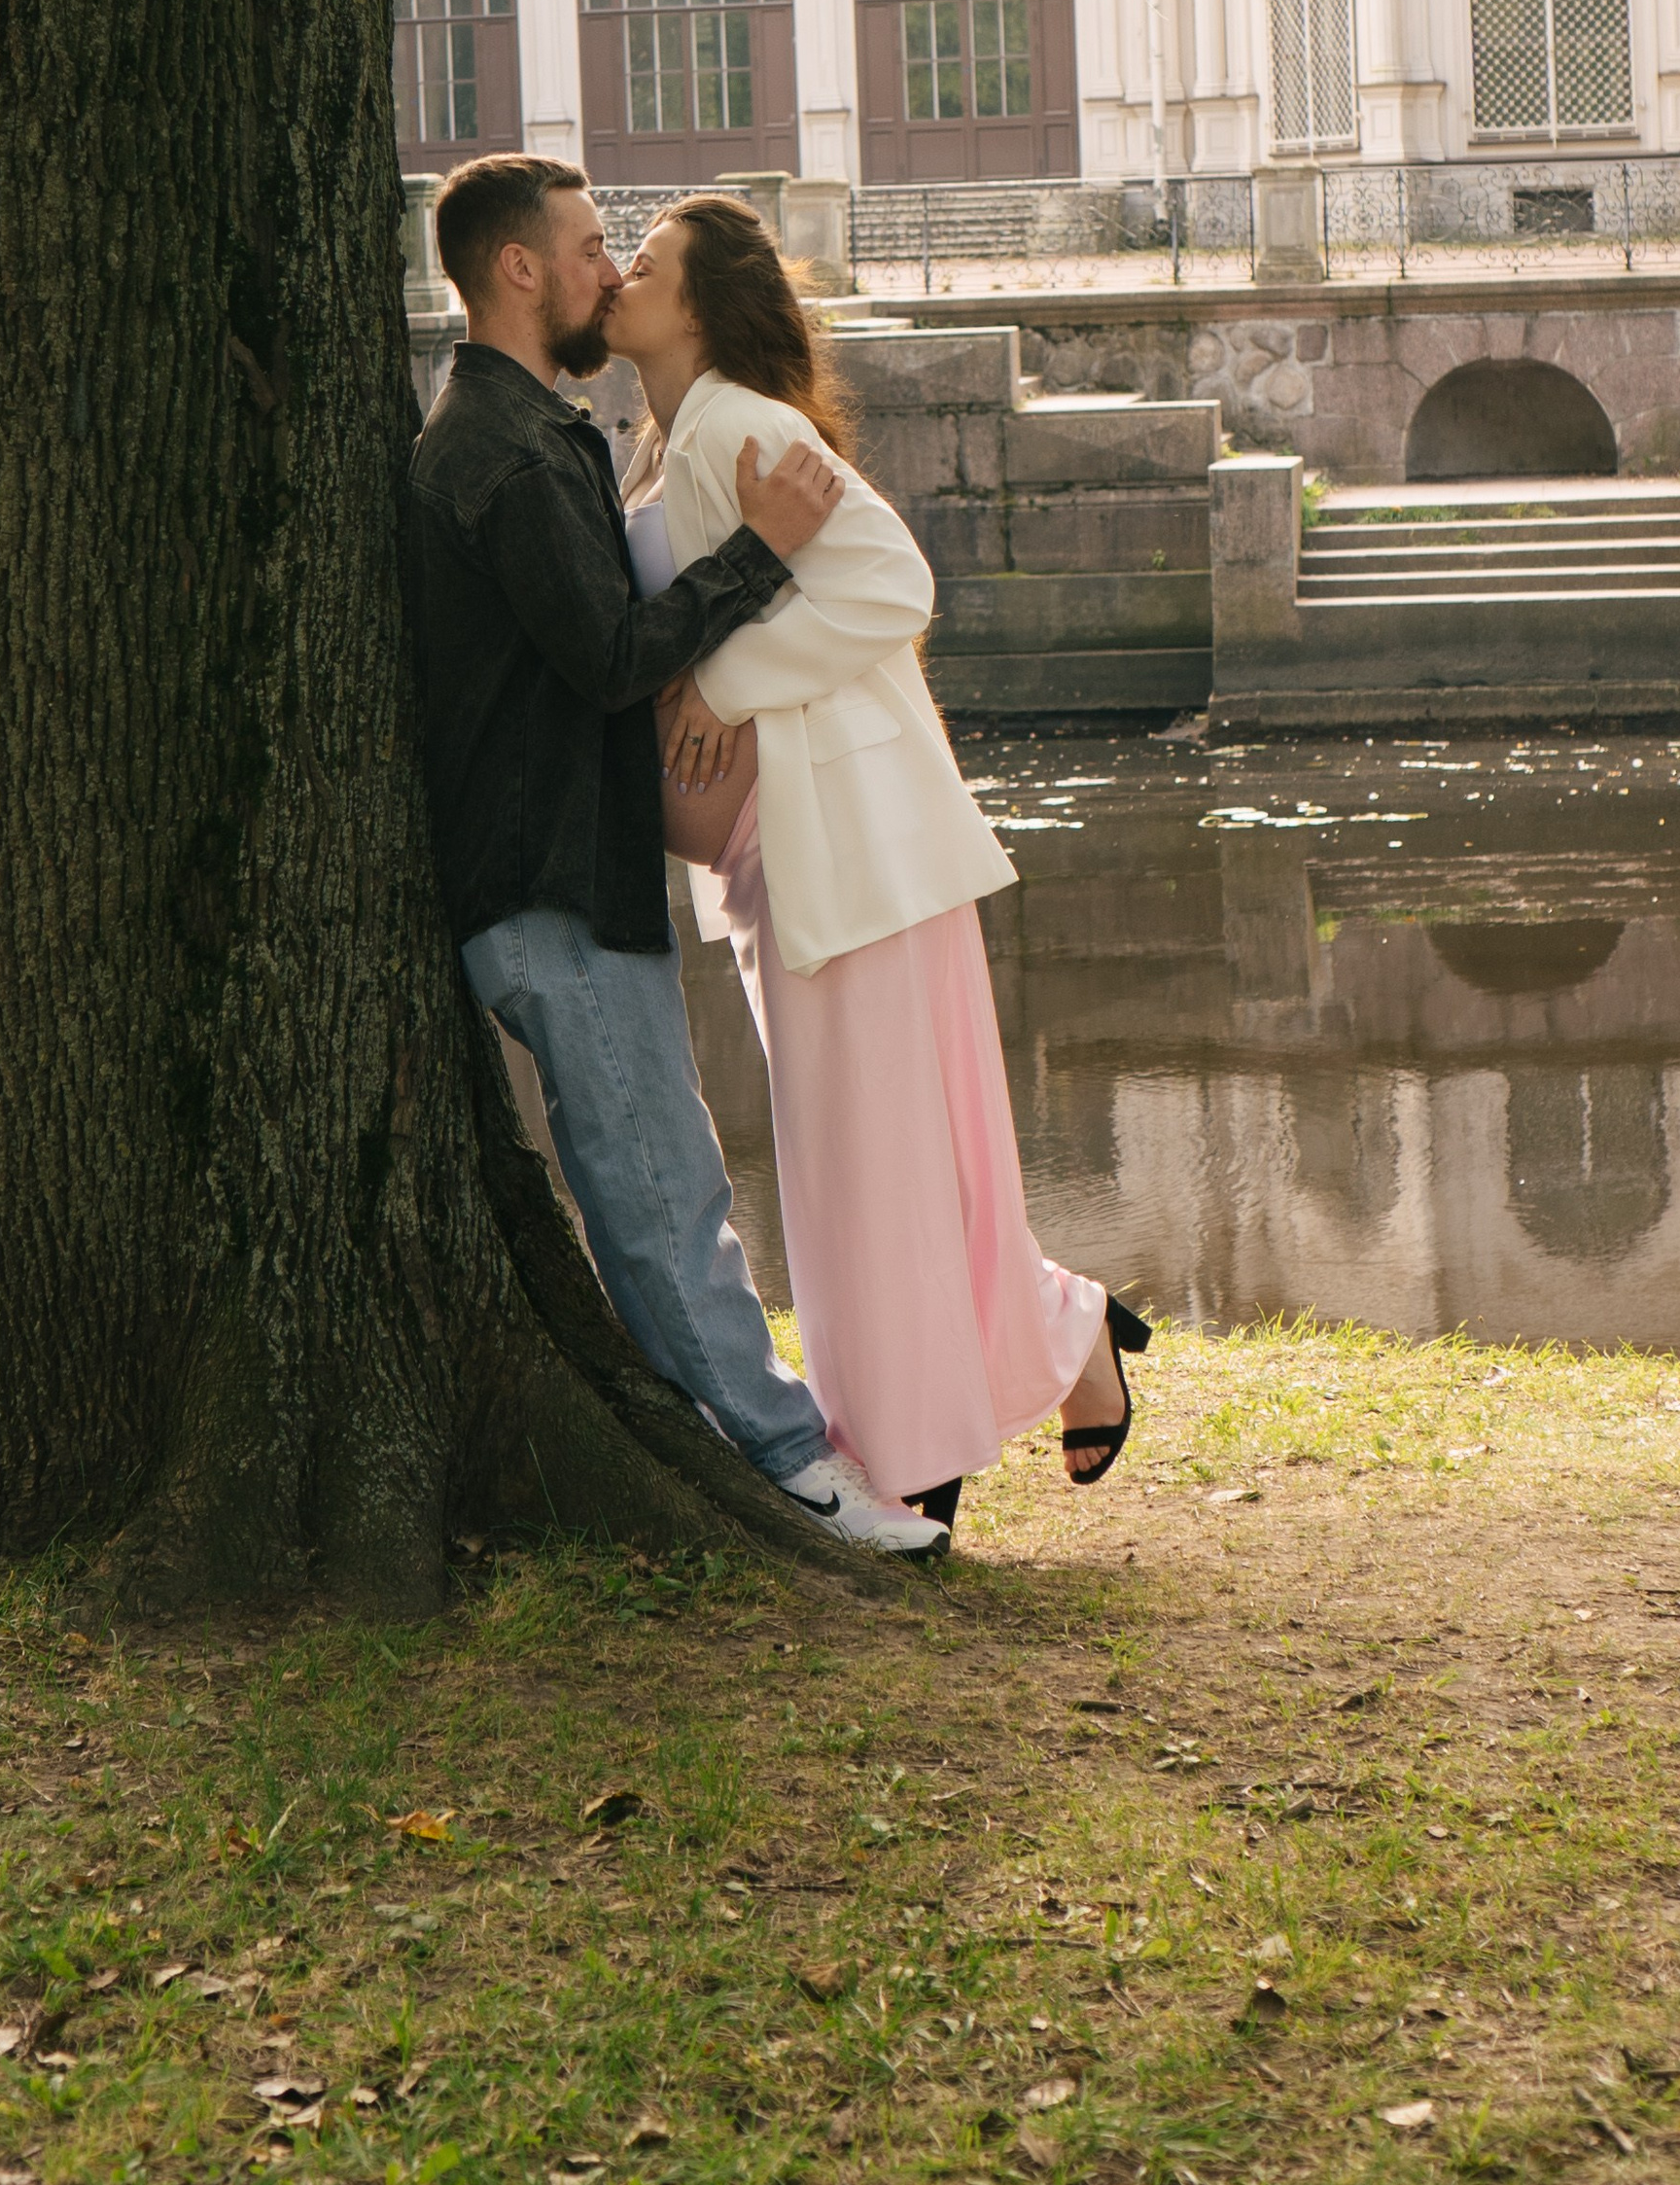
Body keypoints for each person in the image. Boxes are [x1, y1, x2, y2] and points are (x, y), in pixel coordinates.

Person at [405, 154, 946, 1558]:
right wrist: (763, 553)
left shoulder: (531, 430)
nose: (606, 269)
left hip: (567, 872)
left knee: (657, 1179)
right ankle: (793, 1473)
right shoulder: (506, 449)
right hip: (546, 880)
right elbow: (606, 657)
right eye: (591, 246)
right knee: (662, 1192)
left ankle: (736, 1448)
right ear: (519, 270)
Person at [606, 193, 1149, 1533]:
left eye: (648, 262)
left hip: (840, 840)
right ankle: (1051, 1342)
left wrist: (722, 688)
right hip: (783, 851)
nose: (621, 274)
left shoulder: (741, 422)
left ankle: (907, 1457)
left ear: (705, 305)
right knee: (877, 1158)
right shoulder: (669, 439)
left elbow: (893, 584)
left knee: (872, 1164)